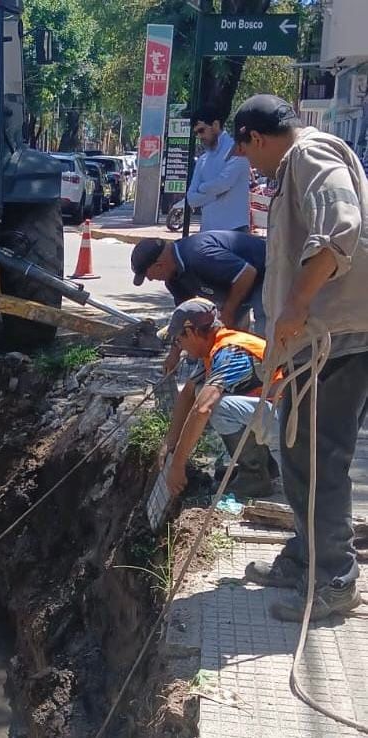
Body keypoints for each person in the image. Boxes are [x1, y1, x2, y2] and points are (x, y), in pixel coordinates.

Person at [231, 93, 368, 621]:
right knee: (299, 457)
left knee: (322, 458)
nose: (251, 166)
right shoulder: (294, 166)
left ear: (256, 139)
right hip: (317, 341)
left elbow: (341, 227)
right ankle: (307, 554)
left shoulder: (310, 156)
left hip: (339, 337)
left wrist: (297, 303)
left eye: (246, 154)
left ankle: (336, 578)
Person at [157, 298, 282, 501]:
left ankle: (255, 475)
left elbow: (202, 409)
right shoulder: (214, 349)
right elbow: (188, 392)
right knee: (201, 391)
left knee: (216, 407)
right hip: (278, 415)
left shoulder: (230, 352)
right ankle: (262, 466)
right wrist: (169, 443)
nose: (181, 347)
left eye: (179, 340)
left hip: (293, 424)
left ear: (191, 332)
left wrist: (178, 465)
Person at [130, 230, 267, 372]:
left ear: (159, 265)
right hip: (234, 286)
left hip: (264, 272)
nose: (150, 279)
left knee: (265, 329)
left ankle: (269, 376)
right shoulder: (173, 279)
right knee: (214, 338)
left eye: (147, 275)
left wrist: (229, 311)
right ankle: (227, 374)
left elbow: (247, 273)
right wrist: (174, 354)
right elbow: (185, 318)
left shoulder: (199, 255)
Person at [186, 104, 251, 232]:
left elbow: (223, 183)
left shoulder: (238, 151)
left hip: (234, 231)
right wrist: (215, 195)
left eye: (201, 130)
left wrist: (202, 188)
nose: (199, 136)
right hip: (207, 232)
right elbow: (191, 199)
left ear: (215, 125)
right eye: (196, 133)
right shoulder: (202, 160)